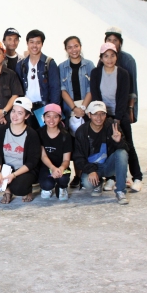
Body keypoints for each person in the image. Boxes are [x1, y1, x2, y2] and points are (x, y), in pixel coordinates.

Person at [90, 42, 142, 193]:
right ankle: (112, 178)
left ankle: (137, 177)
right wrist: (102, 117)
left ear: (116, 57)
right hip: (102, 115)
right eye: (106, 56)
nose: (109, 59)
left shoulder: (123, 73)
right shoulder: (96, 73)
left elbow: (123, 98)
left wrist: (117, 120)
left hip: (120, 114)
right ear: (101, 58)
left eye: (112, 55)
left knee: (127, 145)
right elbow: (96, 95)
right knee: (108, 147)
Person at [73, 101, 130, 205]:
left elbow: (126, 150)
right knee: (87, 183)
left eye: (102, 114)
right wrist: (91, 170)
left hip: (108, 165)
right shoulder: (81, 131)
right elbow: (78, 157)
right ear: (89, 115)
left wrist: (118, 142)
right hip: (92, 167)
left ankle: (120, 191)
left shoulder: (112, 126)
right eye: (95, 114)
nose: (99, 118)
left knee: (122, 152)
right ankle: (98, 183)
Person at [58, 36, 95, 188]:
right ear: (66, 49)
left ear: (80, 46)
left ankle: (91, 172)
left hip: (87, 109)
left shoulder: (89, 65)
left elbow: (92, 88)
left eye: (76, 46)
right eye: (70, 47)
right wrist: (74, 108)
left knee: (87, 142)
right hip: (70, 110)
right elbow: (62, 90)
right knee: (73, 144)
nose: (74, 50)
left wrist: (83, 108)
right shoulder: (62, 67)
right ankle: (78, 175)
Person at [0, 97, 41, 204]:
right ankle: (7, 190)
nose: (14, 116)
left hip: (24, 169)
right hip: (6, 168)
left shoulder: (32, 134)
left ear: (27, 116)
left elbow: (32, 162)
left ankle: (26, 189)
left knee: (19, 188)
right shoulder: (1, 130)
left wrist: (14, 175)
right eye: (13, 111)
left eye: (20, 113)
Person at [15, 30, 60, 130]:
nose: (34, 45)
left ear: (42, 44)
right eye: (31, 42)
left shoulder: (49, 63)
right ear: (27, 43)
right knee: (29, 135)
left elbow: (55, 88)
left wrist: (53, 110)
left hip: (44, 107)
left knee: (44, 135)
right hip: (27, 107)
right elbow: (17, 89)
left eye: (38, 42)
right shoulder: (21, 64)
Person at [37, 104, 72, 200]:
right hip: (46, 166)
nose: (51, 120)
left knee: (63, 179)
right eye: (48, 116)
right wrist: (52, 168)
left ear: (60, 118)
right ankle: (46, 188)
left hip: (61, 166)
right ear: (43, 117)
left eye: (55, 116)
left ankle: (62, 187)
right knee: (47, 184)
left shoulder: (65, 135)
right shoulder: (39, 133)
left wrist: (60, 169)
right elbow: (43, 156)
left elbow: (66, 160)